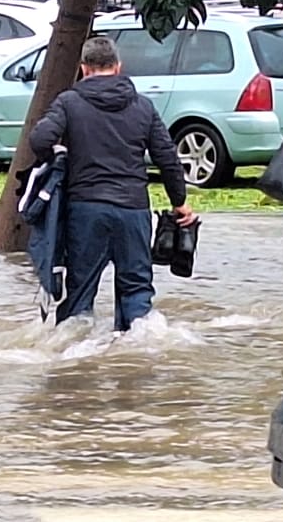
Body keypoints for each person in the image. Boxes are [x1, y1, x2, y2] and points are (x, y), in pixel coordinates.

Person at [28, 35, 195, 332]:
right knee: (137, 295)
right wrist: (179, 202)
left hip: (86, 211)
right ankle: (138, 360)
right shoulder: (143, 106)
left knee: (79, 297)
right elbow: (167, 157)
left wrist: (58, 155)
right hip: (133, 211)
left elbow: (40, 138)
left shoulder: (69, 102)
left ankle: (73, 365)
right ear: (118, 67)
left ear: (84, 69)